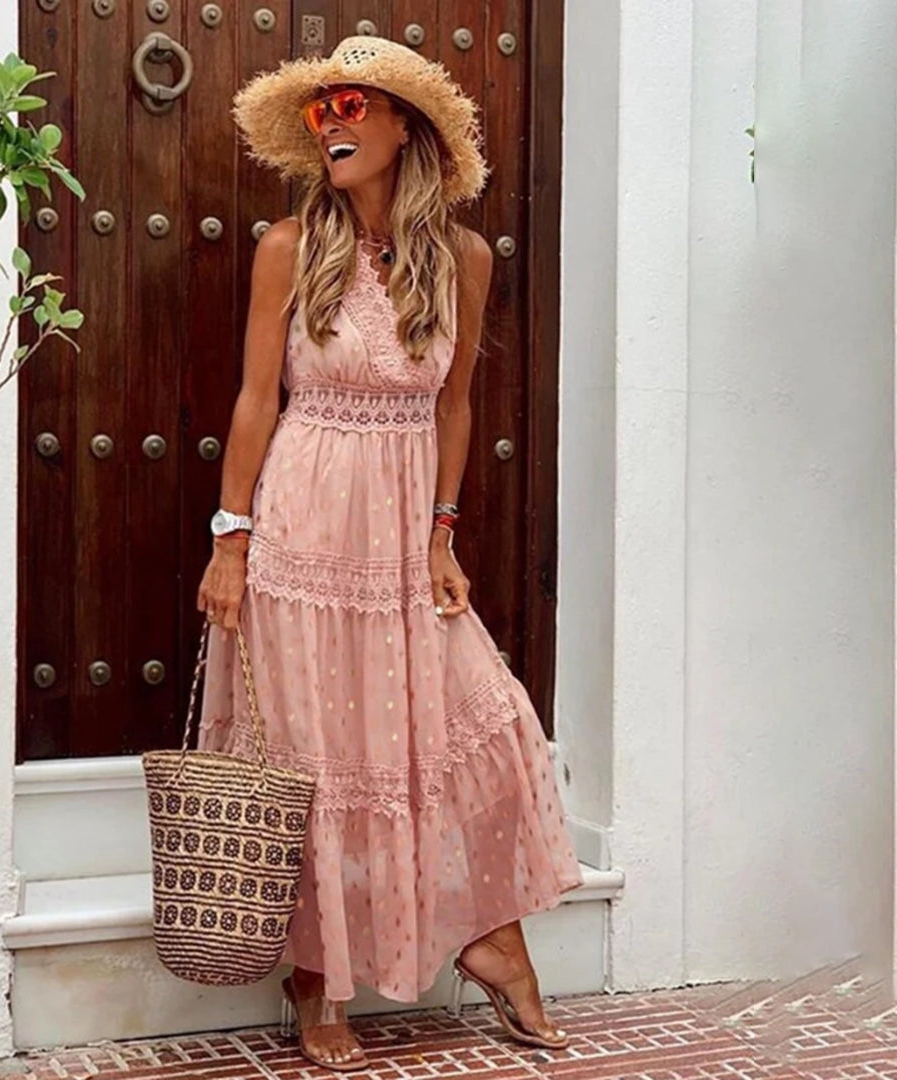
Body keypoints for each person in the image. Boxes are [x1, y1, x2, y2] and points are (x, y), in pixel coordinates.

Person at [195, 35, 584, 1072]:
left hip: (405, 522)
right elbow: (254, 399)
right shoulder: (289, 247)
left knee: (477, 718)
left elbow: (455, 406)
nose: (333, 121)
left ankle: (490, 938)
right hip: (305, 521)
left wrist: (443, 532)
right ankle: (317, 980)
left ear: (403, 125)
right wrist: (232, 538)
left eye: (353, 104)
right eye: (322, 107)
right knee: (315, 758)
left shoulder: (463, 258)